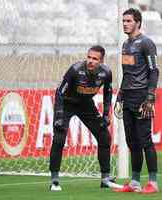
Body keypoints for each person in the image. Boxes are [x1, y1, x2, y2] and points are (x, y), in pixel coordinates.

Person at [49, 45, 118, 191]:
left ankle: (105, 179)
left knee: (105, 137)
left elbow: (108, 92)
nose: (91, 61)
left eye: (95, 59)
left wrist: (106, 114)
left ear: (101, 61)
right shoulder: (75, 70)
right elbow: (60, 92)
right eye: (89, 57)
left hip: (86, 105)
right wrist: (60, 116)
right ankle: (54, 179)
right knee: (59, 139)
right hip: (67, 104)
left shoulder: (106, 73)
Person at [113, 8, 160, 194]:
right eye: (123, 21)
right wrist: (120, 95)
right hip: (128, 97)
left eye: (129, 21)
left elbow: (154, 71)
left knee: (145, 140)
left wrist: (150, 96)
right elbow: (127, 73)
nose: (125, 24)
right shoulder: (126, 44)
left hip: (142, 96)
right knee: (132, 142)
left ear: (138, 22)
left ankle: (153, 182)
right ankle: (134, 182)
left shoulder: (146, 43)